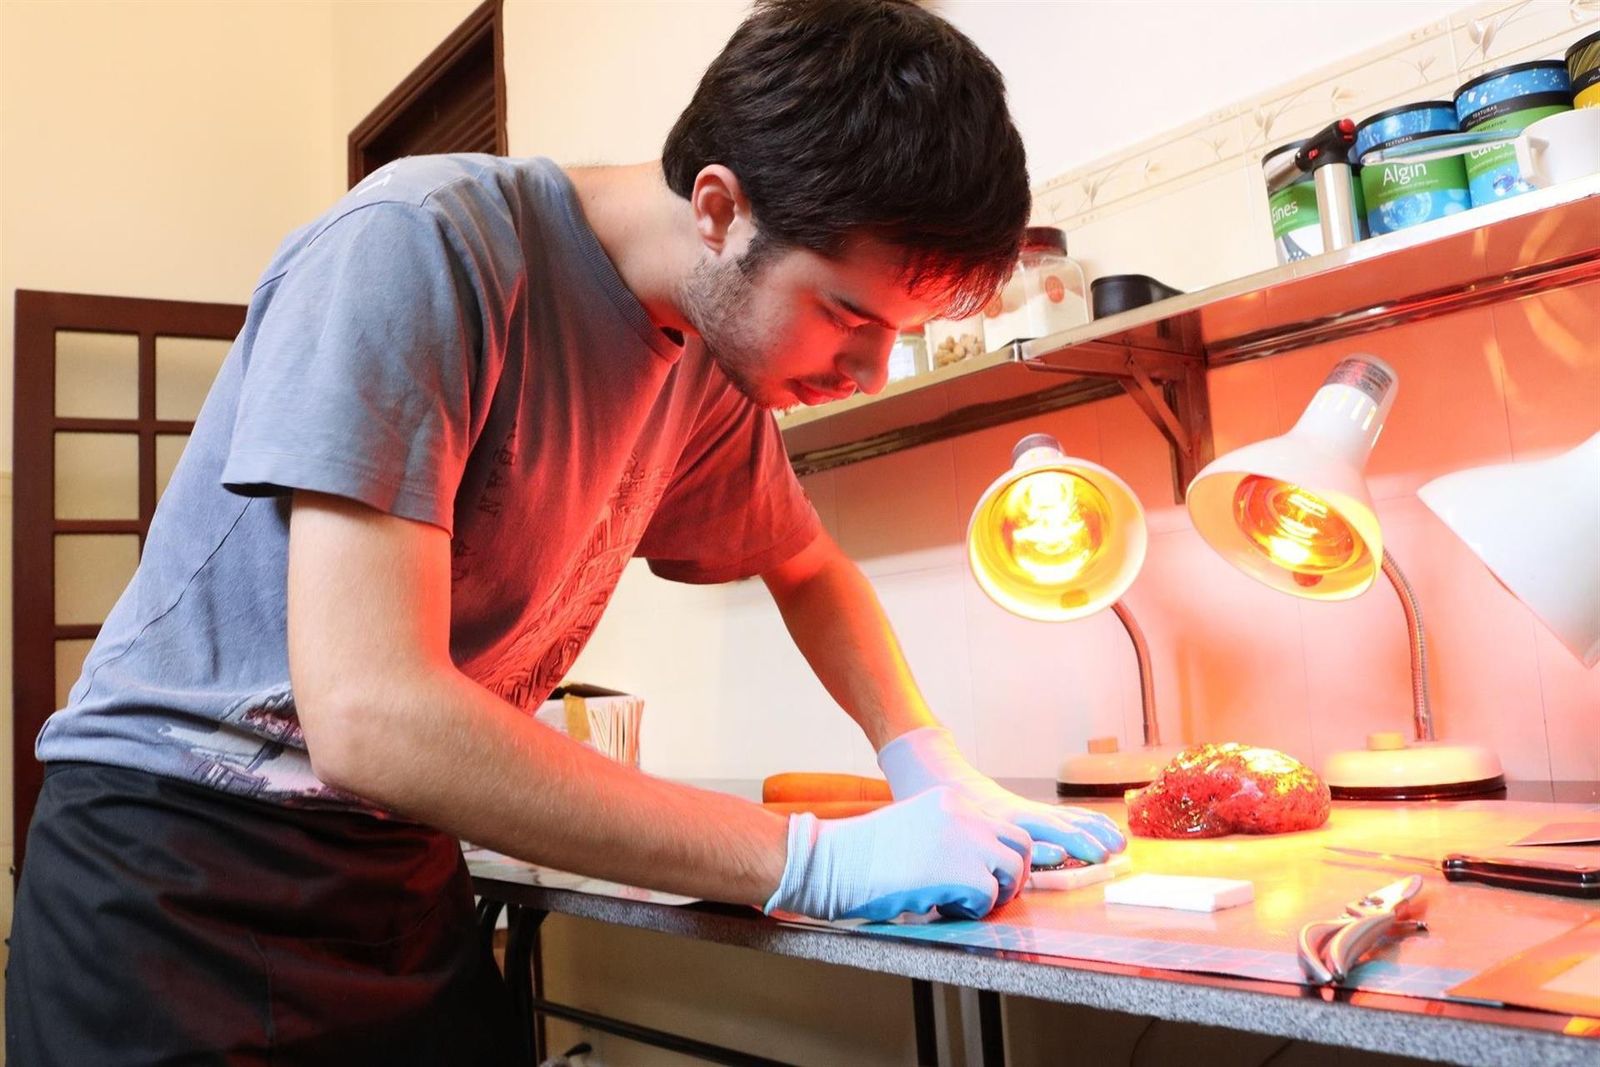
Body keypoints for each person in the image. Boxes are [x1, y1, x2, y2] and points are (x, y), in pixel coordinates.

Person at [7, 0, 1125, 1062]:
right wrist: (808, 860)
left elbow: (806, 563)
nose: (868, 370)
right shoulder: (421, 243)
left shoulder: (709, 363)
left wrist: (925, 761)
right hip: (177, 867)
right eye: (848, 313)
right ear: (722, 209)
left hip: (396, 862)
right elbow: (369, 713)